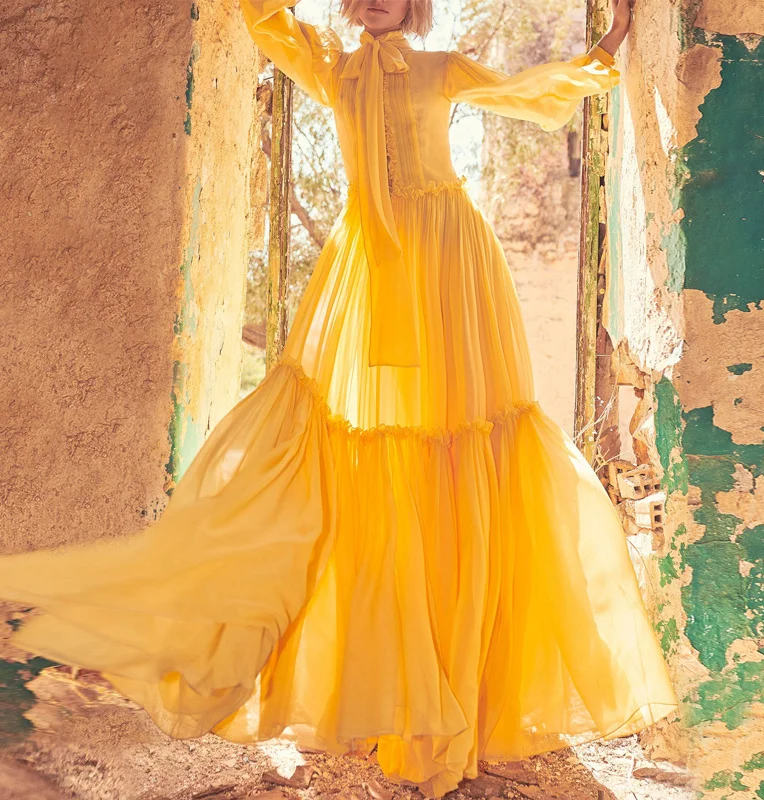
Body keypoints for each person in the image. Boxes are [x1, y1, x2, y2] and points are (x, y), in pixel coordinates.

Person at [0, 0, 679, 796]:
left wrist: (607, 46)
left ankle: (466, 692)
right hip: (370, 264)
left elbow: (526, 93)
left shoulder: (440, 68)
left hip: (451, 262)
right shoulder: (332, 69)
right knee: (356, 439)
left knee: (462, 438)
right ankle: (386, 692)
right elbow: (267, 22)